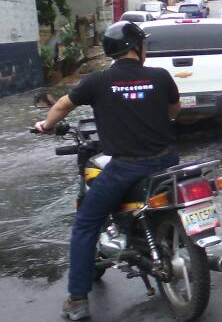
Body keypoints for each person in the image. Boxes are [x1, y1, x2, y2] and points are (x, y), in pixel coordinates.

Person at [34, 21, 181, 321]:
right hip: (167, 161)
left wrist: (46, 125)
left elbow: (62, 105)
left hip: (126, 167)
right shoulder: (160, 76)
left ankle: (77, 300)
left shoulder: (98, 81)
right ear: (136, 48)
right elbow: (173, 111)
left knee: (86, 223)